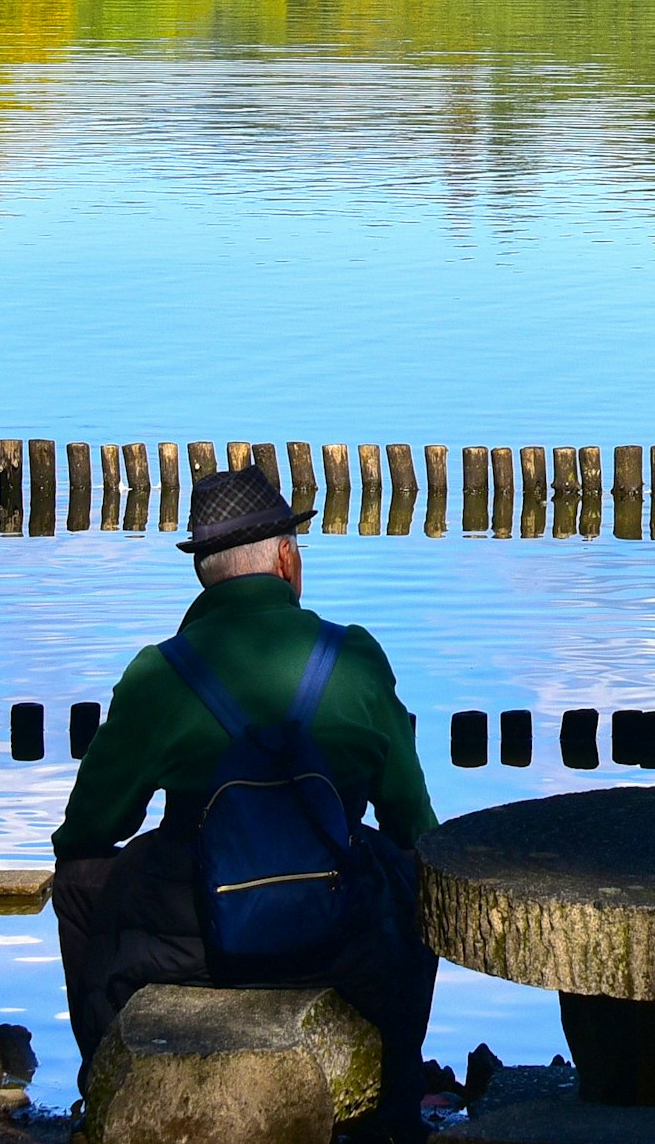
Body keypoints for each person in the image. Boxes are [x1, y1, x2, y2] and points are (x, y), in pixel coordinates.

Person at [54, 465, 441, 1136]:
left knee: (81, 880)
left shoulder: (158, 672)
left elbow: (90, 827)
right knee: (414, 874)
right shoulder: (352, 656)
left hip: (189, 939)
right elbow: (413, 821)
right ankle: (396, 1093)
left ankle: (108, 1079)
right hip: (338, 934)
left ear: (203, 571)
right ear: (286, 557)